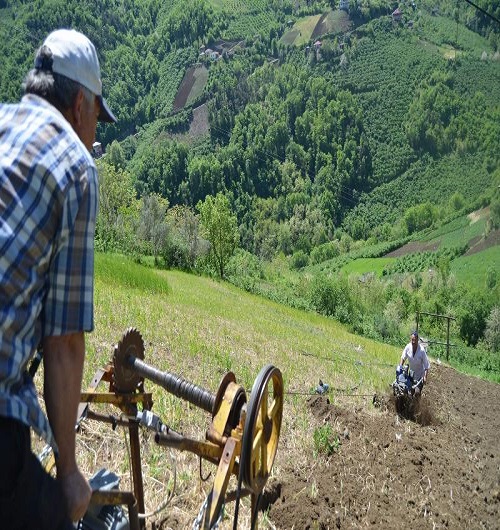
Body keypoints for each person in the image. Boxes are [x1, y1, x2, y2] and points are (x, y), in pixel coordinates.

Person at [0, 29, 116, 529]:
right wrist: (68, 472)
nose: (95, 134)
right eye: (96, 119)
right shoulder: (75, 167)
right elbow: (64, 340)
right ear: (79, 105)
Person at [400, 331, 430, 396]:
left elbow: (426, 366)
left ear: (417, 340)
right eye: (412, 340)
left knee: (417, 393)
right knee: (407, 391)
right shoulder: (408, 347)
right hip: (411, 374)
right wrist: (400, 367)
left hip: (419, 376)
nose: (413, 342)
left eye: (415, 340)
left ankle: (418, 405)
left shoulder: (421, 351)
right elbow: (403, 357)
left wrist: (425, 377)